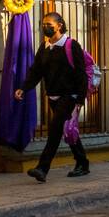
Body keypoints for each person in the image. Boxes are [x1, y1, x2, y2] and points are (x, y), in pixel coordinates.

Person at [15, 12, 89, 181]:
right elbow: (36, 72)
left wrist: (79, 100)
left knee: (55, 130)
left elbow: (81, 75)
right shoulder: (45, 47)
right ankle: (82, 163)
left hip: (70, 96)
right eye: (43, 24)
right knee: (66, 129)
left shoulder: (71, 45)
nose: (45, 27)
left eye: (49, 24)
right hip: (54, 96)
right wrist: (24, 88)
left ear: (59, 26)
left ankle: (42, 168)